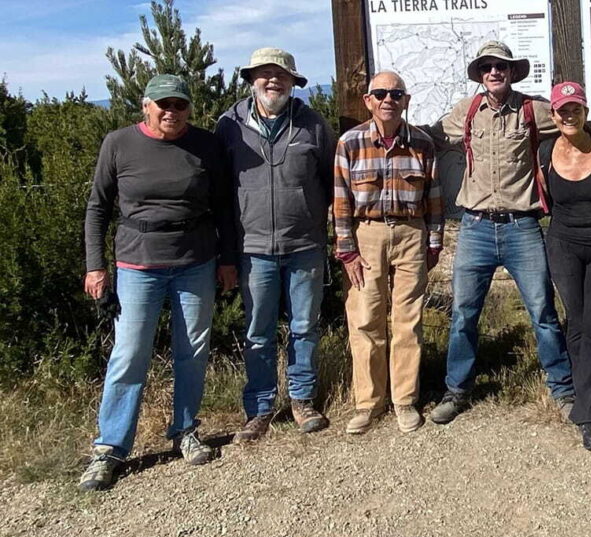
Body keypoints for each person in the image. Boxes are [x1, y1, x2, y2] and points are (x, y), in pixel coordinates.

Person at [80, 74, 236, 491]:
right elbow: (97, 207)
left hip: (196, 260)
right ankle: (109, 449)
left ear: (189, 107)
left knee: (193, 350)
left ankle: (185, 431)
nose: (172, 112)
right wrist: (96, 267)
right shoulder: (119, 143)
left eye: (180, 105)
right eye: (163, 104)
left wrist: (227, 260)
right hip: (137, 263)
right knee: (130, 354)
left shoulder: (205, 145)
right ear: (145, 105)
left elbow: (223, 206)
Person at [427, 41, 574, 424]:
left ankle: (563, 389)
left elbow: (572, 119)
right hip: (474, 228)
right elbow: (431, 137)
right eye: (487, 67)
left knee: (542, 312)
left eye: (501, 66)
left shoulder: (533, 110)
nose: (494, 72)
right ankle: (457, 389)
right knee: (463, 313)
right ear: (480, 74)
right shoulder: (467, 111)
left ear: (512, 72)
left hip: (522, 227)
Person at [216, 48, 336, 442]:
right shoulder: (228, 126)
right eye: (265, 75)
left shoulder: (312, 124)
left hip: (305, 245)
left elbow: (331, 182)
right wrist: (227, 254)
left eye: (281, 75)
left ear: (293, 83)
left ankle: (302, 401)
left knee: (305, 327)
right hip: (253, 248)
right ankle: (260, 408)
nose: (273, 81)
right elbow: (220, 192)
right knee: (258, 332)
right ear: (252, 81)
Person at [334, 71, 443, 434]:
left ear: (406, 100)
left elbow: (434, 198)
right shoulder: (349, 143)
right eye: (380, 93)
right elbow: (340, 200)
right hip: (367, 234)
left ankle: (404, 400)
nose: (388, 100)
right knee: (366, 317)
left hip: (412, 232)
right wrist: (346, 250)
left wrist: (434, 242)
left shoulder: (423, 144)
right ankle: (368, 403)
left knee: (408, 321)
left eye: (396, 94)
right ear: (368, 100)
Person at [539, 81, 591, 451]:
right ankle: (588, 402)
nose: (569, 115)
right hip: (563, 245)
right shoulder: (544, 152)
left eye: (575, 108)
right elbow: (545, 199)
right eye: (562, 110)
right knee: (575, 323)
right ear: (553, 115)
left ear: (585, 111)